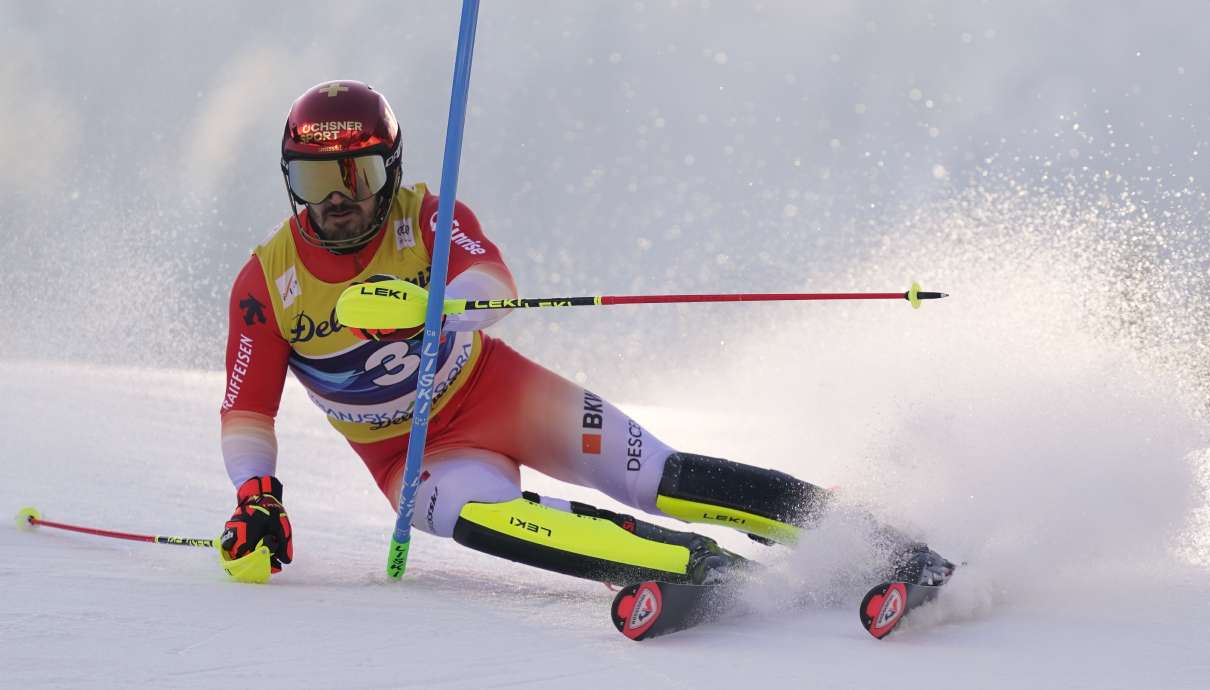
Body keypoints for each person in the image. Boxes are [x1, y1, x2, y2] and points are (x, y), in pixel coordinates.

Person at [217, 80, 951, 588]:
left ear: (393, 169)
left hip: (497, 392)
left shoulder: (427, 217)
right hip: (409, 455)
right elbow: (246, 411)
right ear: (290, 181)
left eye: (359, 173)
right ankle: (694, 568)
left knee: (657, 474)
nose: (340, 199)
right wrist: (258, 497)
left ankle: (858, 538)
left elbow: (491, 289)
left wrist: (427, 300)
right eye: (316, 182)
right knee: (480, 518)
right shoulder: (266, 282)